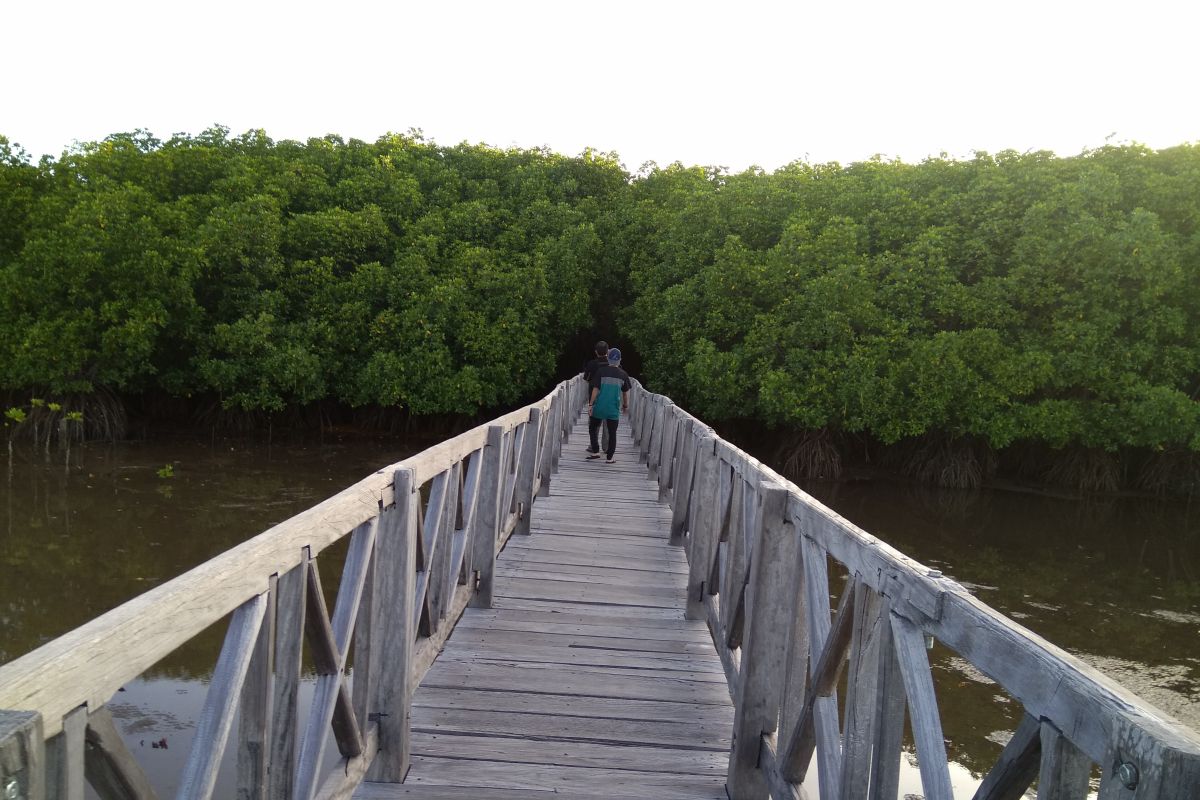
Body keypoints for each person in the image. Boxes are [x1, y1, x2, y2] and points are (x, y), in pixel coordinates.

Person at [587, 347, 630, 464]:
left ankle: (595, 451)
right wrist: (625, 406)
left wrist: (591, 404)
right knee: (612, 433)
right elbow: (625, 394)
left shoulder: (601, 371)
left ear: (608, 358)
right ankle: (610, 458)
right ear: (620, 359)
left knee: (593, 428)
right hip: (613, 409)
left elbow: (595, 389)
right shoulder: (623, 374)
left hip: (599, 407)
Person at [583, 340, 611, 452]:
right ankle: (607, 447)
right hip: (609, 398)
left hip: (594, 398)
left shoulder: (591, 364)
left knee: (594, 424)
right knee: (607, 424)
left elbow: (586, 378)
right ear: (607, 352)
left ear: (596, 352)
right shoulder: (613, 365)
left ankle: (593, 446)